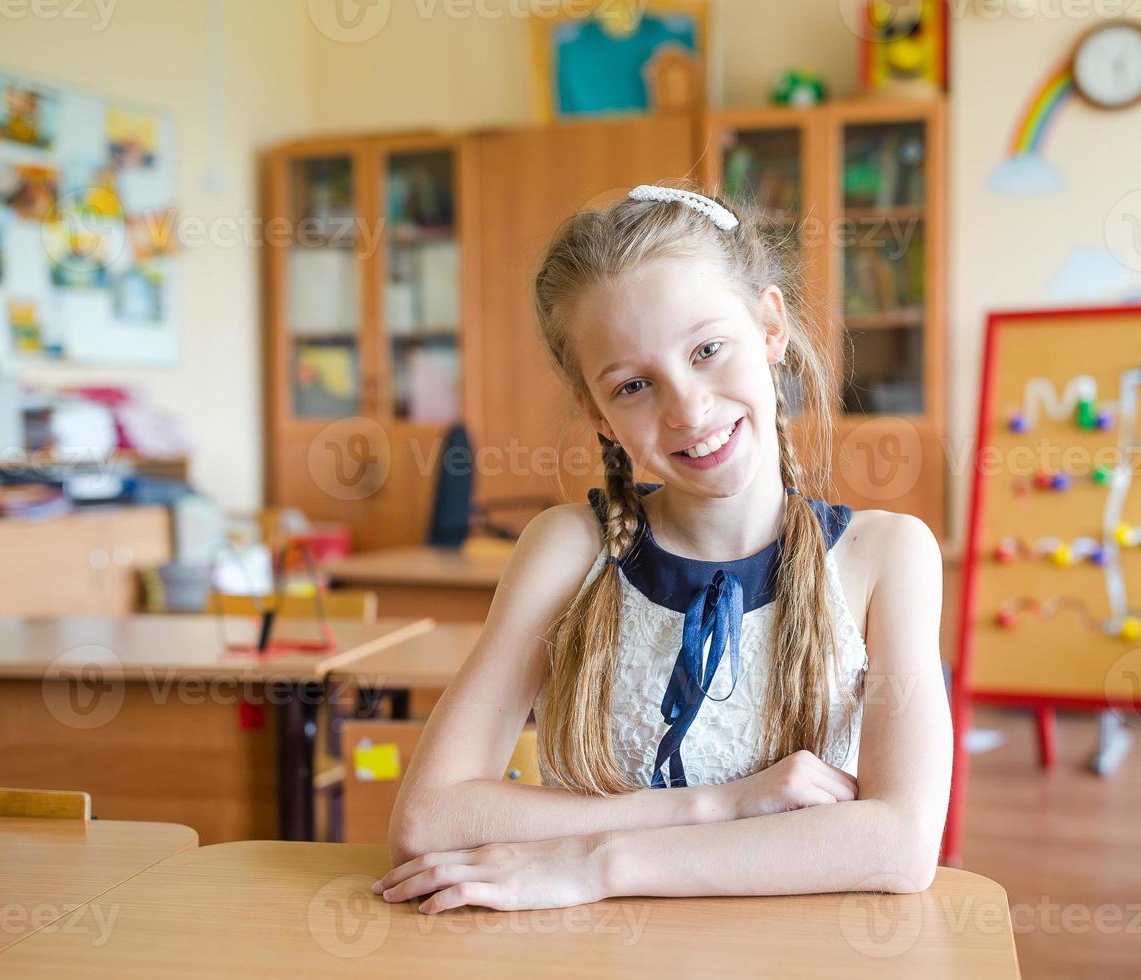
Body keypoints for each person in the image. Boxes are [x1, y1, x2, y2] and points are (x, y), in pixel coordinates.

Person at [377, 184, 951, 913]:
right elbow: (429, 821)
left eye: (708, 349)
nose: (688, 409)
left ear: (771, 329)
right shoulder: (565, 551)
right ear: (597, 411)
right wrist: (717, 806)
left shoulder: (887, 557)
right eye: (634, 385)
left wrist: (598, 867)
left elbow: (900, 845)